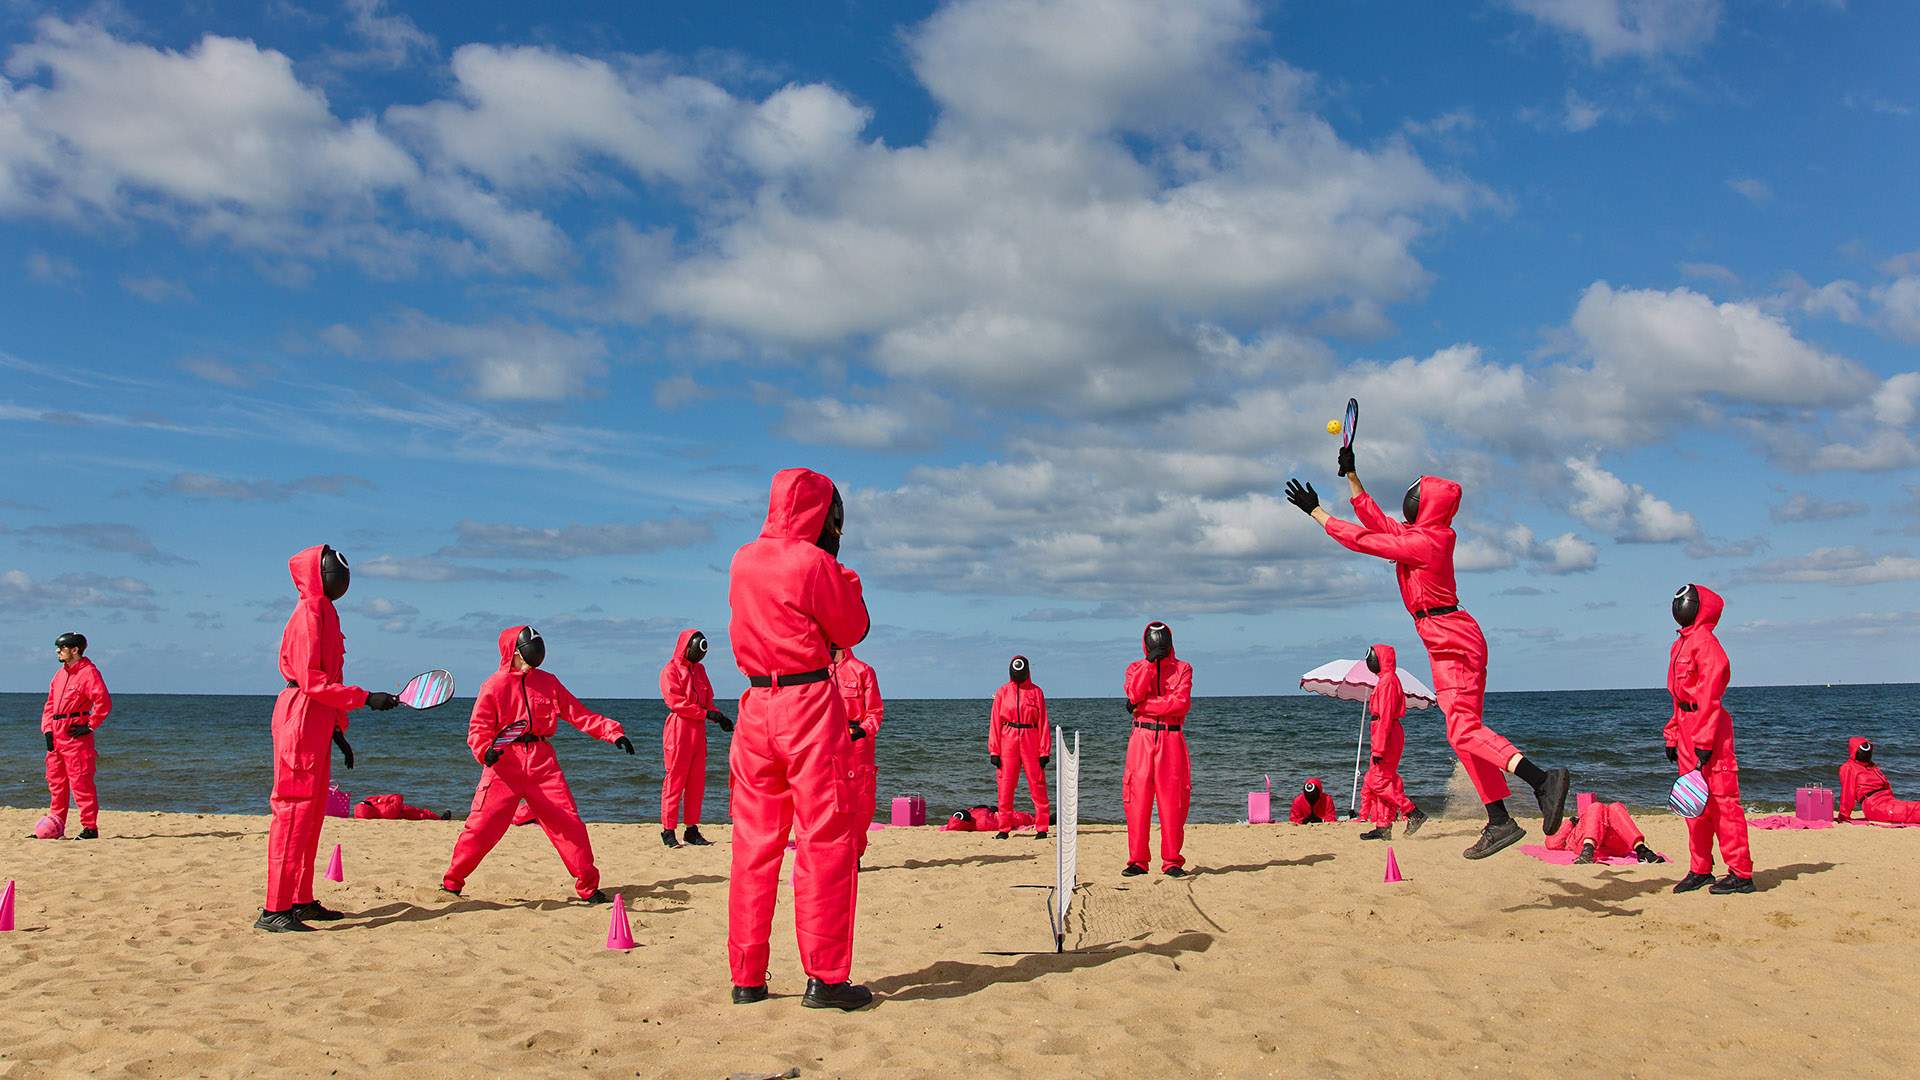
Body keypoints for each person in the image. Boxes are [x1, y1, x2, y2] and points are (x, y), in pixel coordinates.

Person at [1286, 449, 1571, 860]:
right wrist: (1352, 476)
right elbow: (1377, 521)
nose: (1408, 499)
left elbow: (1363, 540)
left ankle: (1542, 780)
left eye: (1414, 495)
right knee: (1464, 737)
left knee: (1462, 731)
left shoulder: (1424, 542)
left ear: (1425, 505)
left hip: (1452, 638)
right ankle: (1500, 820)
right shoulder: (1422, 535)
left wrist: (1317, 513)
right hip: (1443, 637)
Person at [726, 468, 873, 1011]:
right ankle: (826, 979)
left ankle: (747, 978)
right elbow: (852, 629)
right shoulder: (816, 564)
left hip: (754, 706)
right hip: (808, 703)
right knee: (825, 842)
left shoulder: (742, 560)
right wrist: (841, 567)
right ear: (824, 514)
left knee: (754, 846)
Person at [260, 545, 398, 932]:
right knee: (292, 812)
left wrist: (338, 730)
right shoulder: (308, 612)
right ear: (319, 574)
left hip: (318, 718)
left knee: (311, 815)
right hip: (301, 714)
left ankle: (300, 899)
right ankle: (275, 907)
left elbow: (327, 679)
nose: (343, 578)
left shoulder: (327, 612)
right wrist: (364, 699)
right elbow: (312, 680)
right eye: (336, 570)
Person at [441, 626, 633, 902]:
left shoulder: (548, 682)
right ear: (514, 651)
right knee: (482, 826)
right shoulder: (494, 685)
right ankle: (452, 882)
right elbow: (478, 728)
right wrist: (485, 751)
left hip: (543, 762)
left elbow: (578, 714)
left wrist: (613, 733)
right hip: (505, 764)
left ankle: (588, 887)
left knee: (568, 822)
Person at [1665, 584, 1755, 895]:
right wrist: (1673, 734)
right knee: (1693, 803)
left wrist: (1704, 739)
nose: (1680, 606)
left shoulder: (1706, 644)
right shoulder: (1679, 645)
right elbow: (1677, 697)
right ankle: (1700, 868)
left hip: (1712, 730)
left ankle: (1741, 873)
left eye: (1685, 601)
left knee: (1723, 802)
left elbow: (1710, 694)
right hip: (1688, 727)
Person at [1122, 621, 1193, 877]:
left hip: (1171, 739)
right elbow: (1133, 693)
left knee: (1173, 800)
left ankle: (1172, 860)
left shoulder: (1183, 669)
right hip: (1141, 739)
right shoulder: (1135, 668)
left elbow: (1180, 704)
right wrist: (1150, 666)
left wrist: (1142, 706)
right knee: (1136, 799)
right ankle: (1137, 861)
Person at [659, 629, 733, 849]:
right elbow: (676, 703)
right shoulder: (670, 670)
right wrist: (706, 714)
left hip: (698, 732)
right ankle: (668, 830)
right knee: (675, 780)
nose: (700, 652)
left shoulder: (700, 670)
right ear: (686, 646)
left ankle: (691, 829)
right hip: (679, 729)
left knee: (696, 782)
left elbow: (707, 700)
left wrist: (718, 717)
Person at [38, 631, 111, 840]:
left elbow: (103, 701)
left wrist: (90, 726)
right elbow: (50, 704)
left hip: (76, 735)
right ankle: (55, 826)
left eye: (61, 648)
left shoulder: (89, 673)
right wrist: (48, 730)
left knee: (81, 782)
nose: (57, 651)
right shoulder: (60, 674)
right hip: (56, 732)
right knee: (55, 781)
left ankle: (90, 828)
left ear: (75, 649)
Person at [1358, 644, 1426, 841]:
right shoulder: (1386, 680)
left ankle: (1412, 812)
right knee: (1383, 780)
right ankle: (1383, 826)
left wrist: (1378, 748)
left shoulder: (1388, 681)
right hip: (1384, 732)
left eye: (1371, 657)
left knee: (1376, 781)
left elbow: (1386, 716)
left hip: (1386, 734)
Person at [988, 655, 1050, 841]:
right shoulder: (1002, 692)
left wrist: (1044, 750)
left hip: (1031, 736)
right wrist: (994, 750)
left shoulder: (1036, 692)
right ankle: (1004, 827)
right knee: (1005, 785)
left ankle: (1042, 827)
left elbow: (1043, 722)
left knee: (1037, 783)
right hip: (1008, 738)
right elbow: (995, 723)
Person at [832, 644, 883, 857]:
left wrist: (862, 731)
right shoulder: (815, 674)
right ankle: (833, 851)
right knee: (827, 797)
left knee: (862, 798)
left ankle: (855, 851)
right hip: (825, 740)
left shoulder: (862, 670)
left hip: (857, 742)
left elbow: (875, 712)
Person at [1543, 800, 1664, 864]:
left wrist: (1571, 822)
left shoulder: (1578, 825)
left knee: (1612, 807)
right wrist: (1572, 822)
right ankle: (1643, 851)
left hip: (1606, 846)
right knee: (1602, 807)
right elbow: (1552, 844)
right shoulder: (1575, 827)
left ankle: (1642, 850)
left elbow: (1552, 843)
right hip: (1607, 847)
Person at [1838, 738, 1920, 824]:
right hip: (1874, 806)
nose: (1868, 754)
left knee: (1912, 806)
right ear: (1855, 752)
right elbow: (1848, 792)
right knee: (1910, 810)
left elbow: (1886, 786)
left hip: (1887, 801)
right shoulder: (1849, 767)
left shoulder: (1872, 767)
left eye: (1869, 751)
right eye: (1864, 751)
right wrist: (1844, 815)